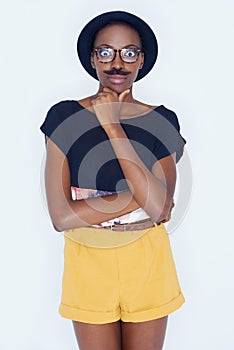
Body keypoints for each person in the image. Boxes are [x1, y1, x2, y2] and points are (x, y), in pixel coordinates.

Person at [40, 10, 186, 350]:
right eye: (105, 52)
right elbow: (61, 216)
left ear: (141, 59)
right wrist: (143, 193)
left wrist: (111, 124)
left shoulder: (162, 119)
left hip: (148, 260)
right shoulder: (64, 116)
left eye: (129, 52)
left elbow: (162, 209)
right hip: (88, 261)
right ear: (93, 58)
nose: (117, 63)